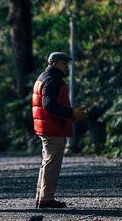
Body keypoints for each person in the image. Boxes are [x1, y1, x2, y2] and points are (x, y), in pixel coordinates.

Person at [32, 52, 87, 208]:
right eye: (64, 63)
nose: (66, 66)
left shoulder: (43, 77)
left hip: (46, 127)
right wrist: (71, 113)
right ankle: (46, 199)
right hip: (53, 128)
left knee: (47, 163)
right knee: (52, 164)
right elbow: (48, 105)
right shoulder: (52, 80)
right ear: (55, 63)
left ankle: (42, 197)